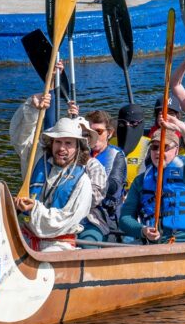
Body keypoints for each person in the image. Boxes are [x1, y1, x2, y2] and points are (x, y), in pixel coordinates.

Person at [10, 93, 96, 252]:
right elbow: (21, 138)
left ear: (78, 147)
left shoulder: (83, 182)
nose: (62, 148)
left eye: (68, 143)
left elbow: (64, 221)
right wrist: (32, 109)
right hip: (27, 237)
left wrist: (35, 208)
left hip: (58, 244)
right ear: (51, 143)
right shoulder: (37, 159)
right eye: (58, 142)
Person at [118, 115, 185, 244]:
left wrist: (179, 125)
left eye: (165, 147)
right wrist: (143, 230)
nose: (158, 152)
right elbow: (125, 218)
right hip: (158, 243)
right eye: (154, 147)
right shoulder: (140, 181)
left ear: (176, 150)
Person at [78, 110, 127, 245]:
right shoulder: (79, 153)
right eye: (89, 132)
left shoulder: (116, 155)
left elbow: (114, 185)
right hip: (79, 210)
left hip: (106, 216)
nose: (93, 136)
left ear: (109, 133)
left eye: (98, 132)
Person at [112, 103, 149, 190]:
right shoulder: (110, 143)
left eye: (133, 123)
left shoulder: (150, 145)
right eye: (122, 123)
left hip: (138, 192)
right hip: (115, 192)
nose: (127, 127)